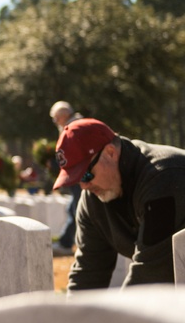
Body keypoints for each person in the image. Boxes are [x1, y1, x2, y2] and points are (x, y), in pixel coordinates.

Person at [54, 118, 185, 289]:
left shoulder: (164, 176)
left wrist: (117, 315)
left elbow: (151, 272)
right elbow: (89, 271)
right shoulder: (92, 199)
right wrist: (75, 315)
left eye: (86, 175)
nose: (84, 186)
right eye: (77, 179)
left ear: (110, 152)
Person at [50, 100, 84, 256]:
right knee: (73, 208)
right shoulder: (73, 125)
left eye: (56, 118)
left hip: (80, 175)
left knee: (78, 208)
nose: (55, 121)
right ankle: (66, 240)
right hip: (78, 175)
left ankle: (66, 242)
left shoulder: (73, 128)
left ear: (63, 115)